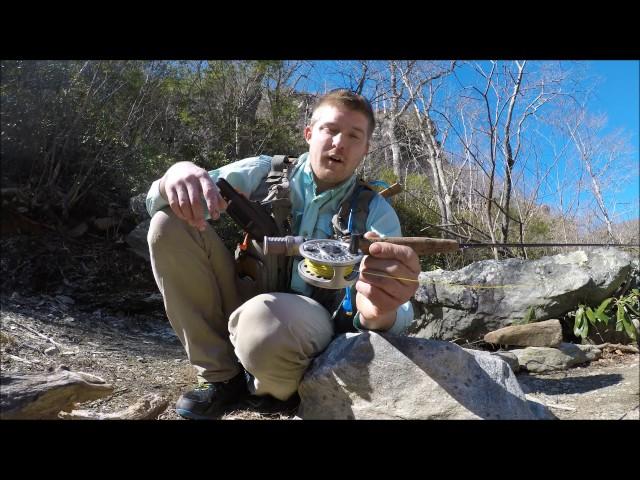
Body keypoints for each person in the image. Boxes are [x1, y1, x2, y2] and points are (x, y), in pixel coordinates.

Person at [145, 89, 420, 419]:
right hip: (246, 298)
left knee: (265, 320)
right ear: (309, 133)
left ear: (365, 150)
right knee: (168, 224)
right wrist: (174, 175)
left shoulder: (377, 213)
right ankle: (221, 377)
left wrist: (381, 313)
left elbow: (402, 307)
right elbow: (165, 200)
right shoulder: (263, 173)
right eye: (330, 130)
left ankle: (282, 386)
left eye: (353, 136)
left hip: (316, 330)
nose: (339, 143)